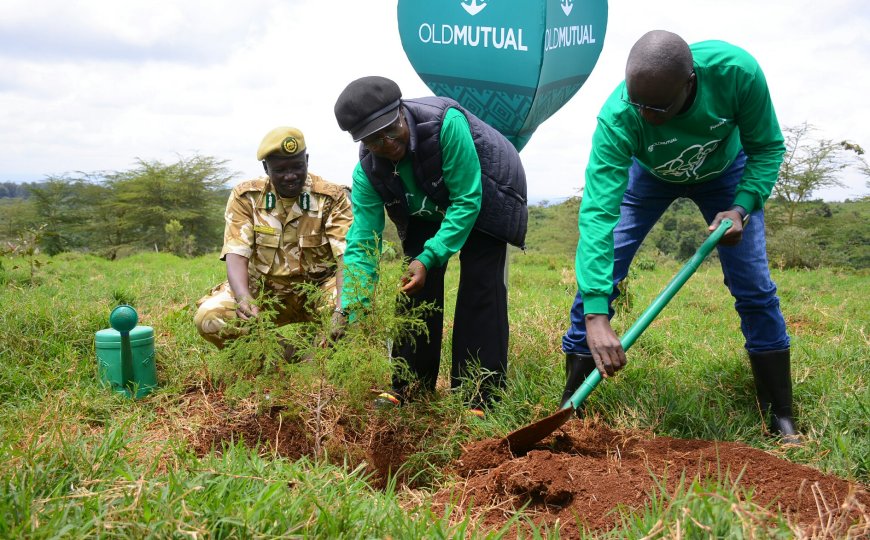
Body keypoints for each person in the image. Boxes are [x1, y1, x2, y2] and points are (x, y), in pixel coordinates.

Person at [561, 30, 799, 442]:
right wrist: (597, 315)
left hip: (726, 175)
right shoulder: (620, 117)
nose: (647, 116)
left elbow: (767, 148)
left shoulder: (736, 73)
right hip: (648, 176)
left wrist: (742, 206)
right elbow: (598, 214)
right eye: (639, 105)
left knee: (754, 286)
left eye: (658, 107)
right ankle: (570, 404)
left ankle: (780, 413)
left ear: (690, 81)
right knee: (601, 278)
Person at [332, 76, 528, 415]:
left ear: (401, 111)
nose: (388, 142)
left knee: (480, 284)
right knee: (412, 286)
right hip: (427, 201)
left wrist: (432, 255)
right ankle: (408, 385)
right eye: (374, 140)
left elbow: (467, 200)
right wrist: (351, 307)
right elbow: (363, 241)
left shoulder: (444, 126)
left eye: (391, 129)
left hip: (488, 186)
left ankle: (479, 394)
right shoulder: (367, 172)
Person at [194, 126, 353, 357]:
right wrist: (243, 298)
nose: (290, 176)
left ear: (307, 160)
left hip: (317, 290)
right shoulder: (246, 197)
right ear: (266, 168)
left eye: (297, 166)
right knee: (210, 316)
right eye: (280, 170)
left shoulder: (331, 197)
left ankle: (320, 356)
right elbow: (236, 253)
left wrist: (341, 307)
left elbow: (345, 257)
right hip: (265, 292)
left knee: (354, 310)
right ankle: (288, 355)